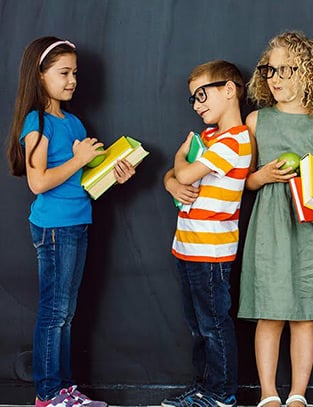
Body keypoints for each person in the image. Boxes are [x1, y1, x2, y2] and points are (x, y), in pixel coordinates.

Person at [6, 36, 136, 407]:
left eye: (74, 73)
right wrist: (80, 160)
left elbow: (86, 185)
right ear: (40, 75)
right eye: (63, 73)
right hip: (53, 228)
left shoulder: (75, 122)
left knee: (65, 313)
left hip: (77, 223)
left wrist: (114, 173)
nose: (72, 80)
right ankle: (48, 394)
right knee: (54, 312)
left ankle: (63, 390)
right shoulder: (38, 122)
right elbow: (38, 182)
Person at [237, 31, 313, 407]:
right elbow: (246, 181)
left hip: (312, 231)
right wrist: (263, 176)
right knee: (269, 314)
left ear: (309, 73)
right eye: (270, 70)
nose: (276, 78)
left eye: (287, 70)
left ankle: (298, 394)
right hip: (270, 229)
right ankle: (269, 394)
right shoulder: (257, 121)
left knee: (305, 315)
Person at [160, 60, 250, 407]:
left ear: (229, 90)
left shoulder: (234, 141)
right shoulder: (211, 137)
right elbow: (174, 179)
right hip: (188, 246)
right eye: (193, 100)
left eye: (202, 95)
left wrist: (180, 158)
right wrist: (171, 181)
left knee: (213, 326)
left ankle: (221, 393)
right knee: (198, 328)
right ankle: (203, 388)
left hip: (211, 252)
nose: (197, 105)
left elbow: (183, 174)